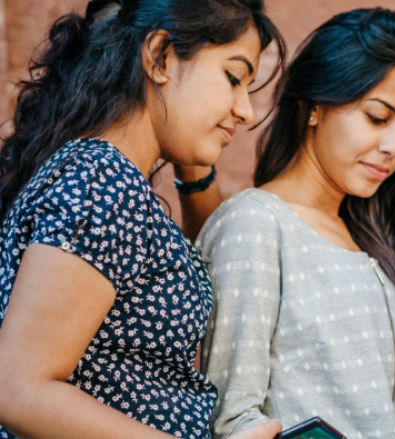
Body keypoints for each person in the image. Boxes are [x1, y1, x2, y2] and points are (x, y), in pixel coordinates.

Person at [197, 8, 395, 439]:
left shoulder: (368, 236)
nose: (394, 147)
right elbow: (235, 417)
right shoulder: (255, 225)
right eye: (377, 117)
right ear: (315, 107)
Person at [0, 0, 286, 438]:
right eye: (232, 78)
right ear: (159, 57)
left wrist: (194, 153)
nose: (245, 110)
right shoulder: (104, 179)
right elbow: (19, 389)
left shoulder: (104, 177)